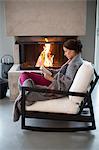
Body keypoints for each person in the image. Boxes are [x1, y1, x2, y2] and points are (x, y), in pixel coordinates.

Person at [13, 39, 83, 121]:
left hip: (53, 85)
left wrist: (50, 78)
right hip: (54, 81)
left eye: (66, 51)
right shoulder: (73, 60)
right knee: (25, 74)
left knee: (24, 75)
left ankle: (27, 93)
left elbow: (65, 86)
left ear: (73, 51)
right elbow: (60, 72)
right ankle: (27, 91)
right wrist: (49, 71)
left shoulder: (74, 65)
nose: (64, 54)